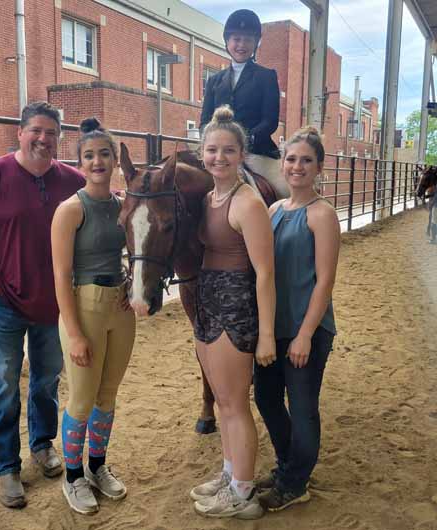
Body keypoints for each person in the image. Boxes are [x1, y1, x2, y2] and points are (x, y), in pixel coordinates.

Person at [0, 101, 85, 509]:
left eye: (51, 133)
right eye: (36, 131)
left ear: (59, 138)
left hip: (54, 304)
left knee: (47, 378)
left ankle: (42, 445)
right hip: (4, 300)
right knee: (4, 383)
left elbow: (108, 206)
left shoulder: (71, 181)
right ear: (20, 134)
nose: (43, 139)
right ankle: (6, 465)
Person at [189, 105, 276, 519]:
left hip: (235, 305)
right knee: (222, 401)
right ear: (201, 152)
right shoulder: (208, 197)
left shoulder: (248, 203)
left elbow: (265, 274)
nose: (218, 158)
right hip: (207, 301)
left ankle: (244, 493)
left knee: (235, 403)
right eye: (211, 150)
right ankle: (230, 473)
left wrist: (265, 334)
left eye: (227, 150)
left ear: (242, 154)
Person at [51, 118, 136, 515]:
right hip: (84, 306)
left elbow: (139, 247)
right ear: (79, 163)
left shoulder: (122, 206)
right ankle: (73, 476)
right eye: (89, 155)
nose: (98, 161)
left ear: (116, 159)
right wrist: (74, 333)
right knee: (82, 399)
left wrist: (133, 283)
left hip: (119, 306)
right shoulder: (71, 209)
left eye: (105, 153)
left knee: (107, 395)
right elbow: (61, 275)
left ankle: (97, 467)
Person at [254, 127, 340, 512]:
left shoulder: (322, 215)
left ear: (319, 166)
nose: (297, 166)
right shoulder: (273, 211)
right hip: (275, 327)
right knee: (267, 398)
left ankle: (294, 483)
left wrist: (305, 334)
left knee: (302, 405)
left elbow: (325, 281)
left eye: (306, 160)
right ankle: (289, 465)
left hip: (307, 328)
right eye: (291, 158)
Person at [199, 8, 287, 198]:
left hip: (255, 152)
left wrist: (243, 141)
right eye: (236, 39)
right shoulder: (214, 80)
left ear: (255, 43)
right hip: (219, 153)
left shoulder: (266, 76)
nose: (241, 45)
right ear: (227, 42)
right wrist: (211, 144)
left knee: (285, 190)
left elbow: (270, 120)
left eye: (247, 39)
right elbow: (205, 121)